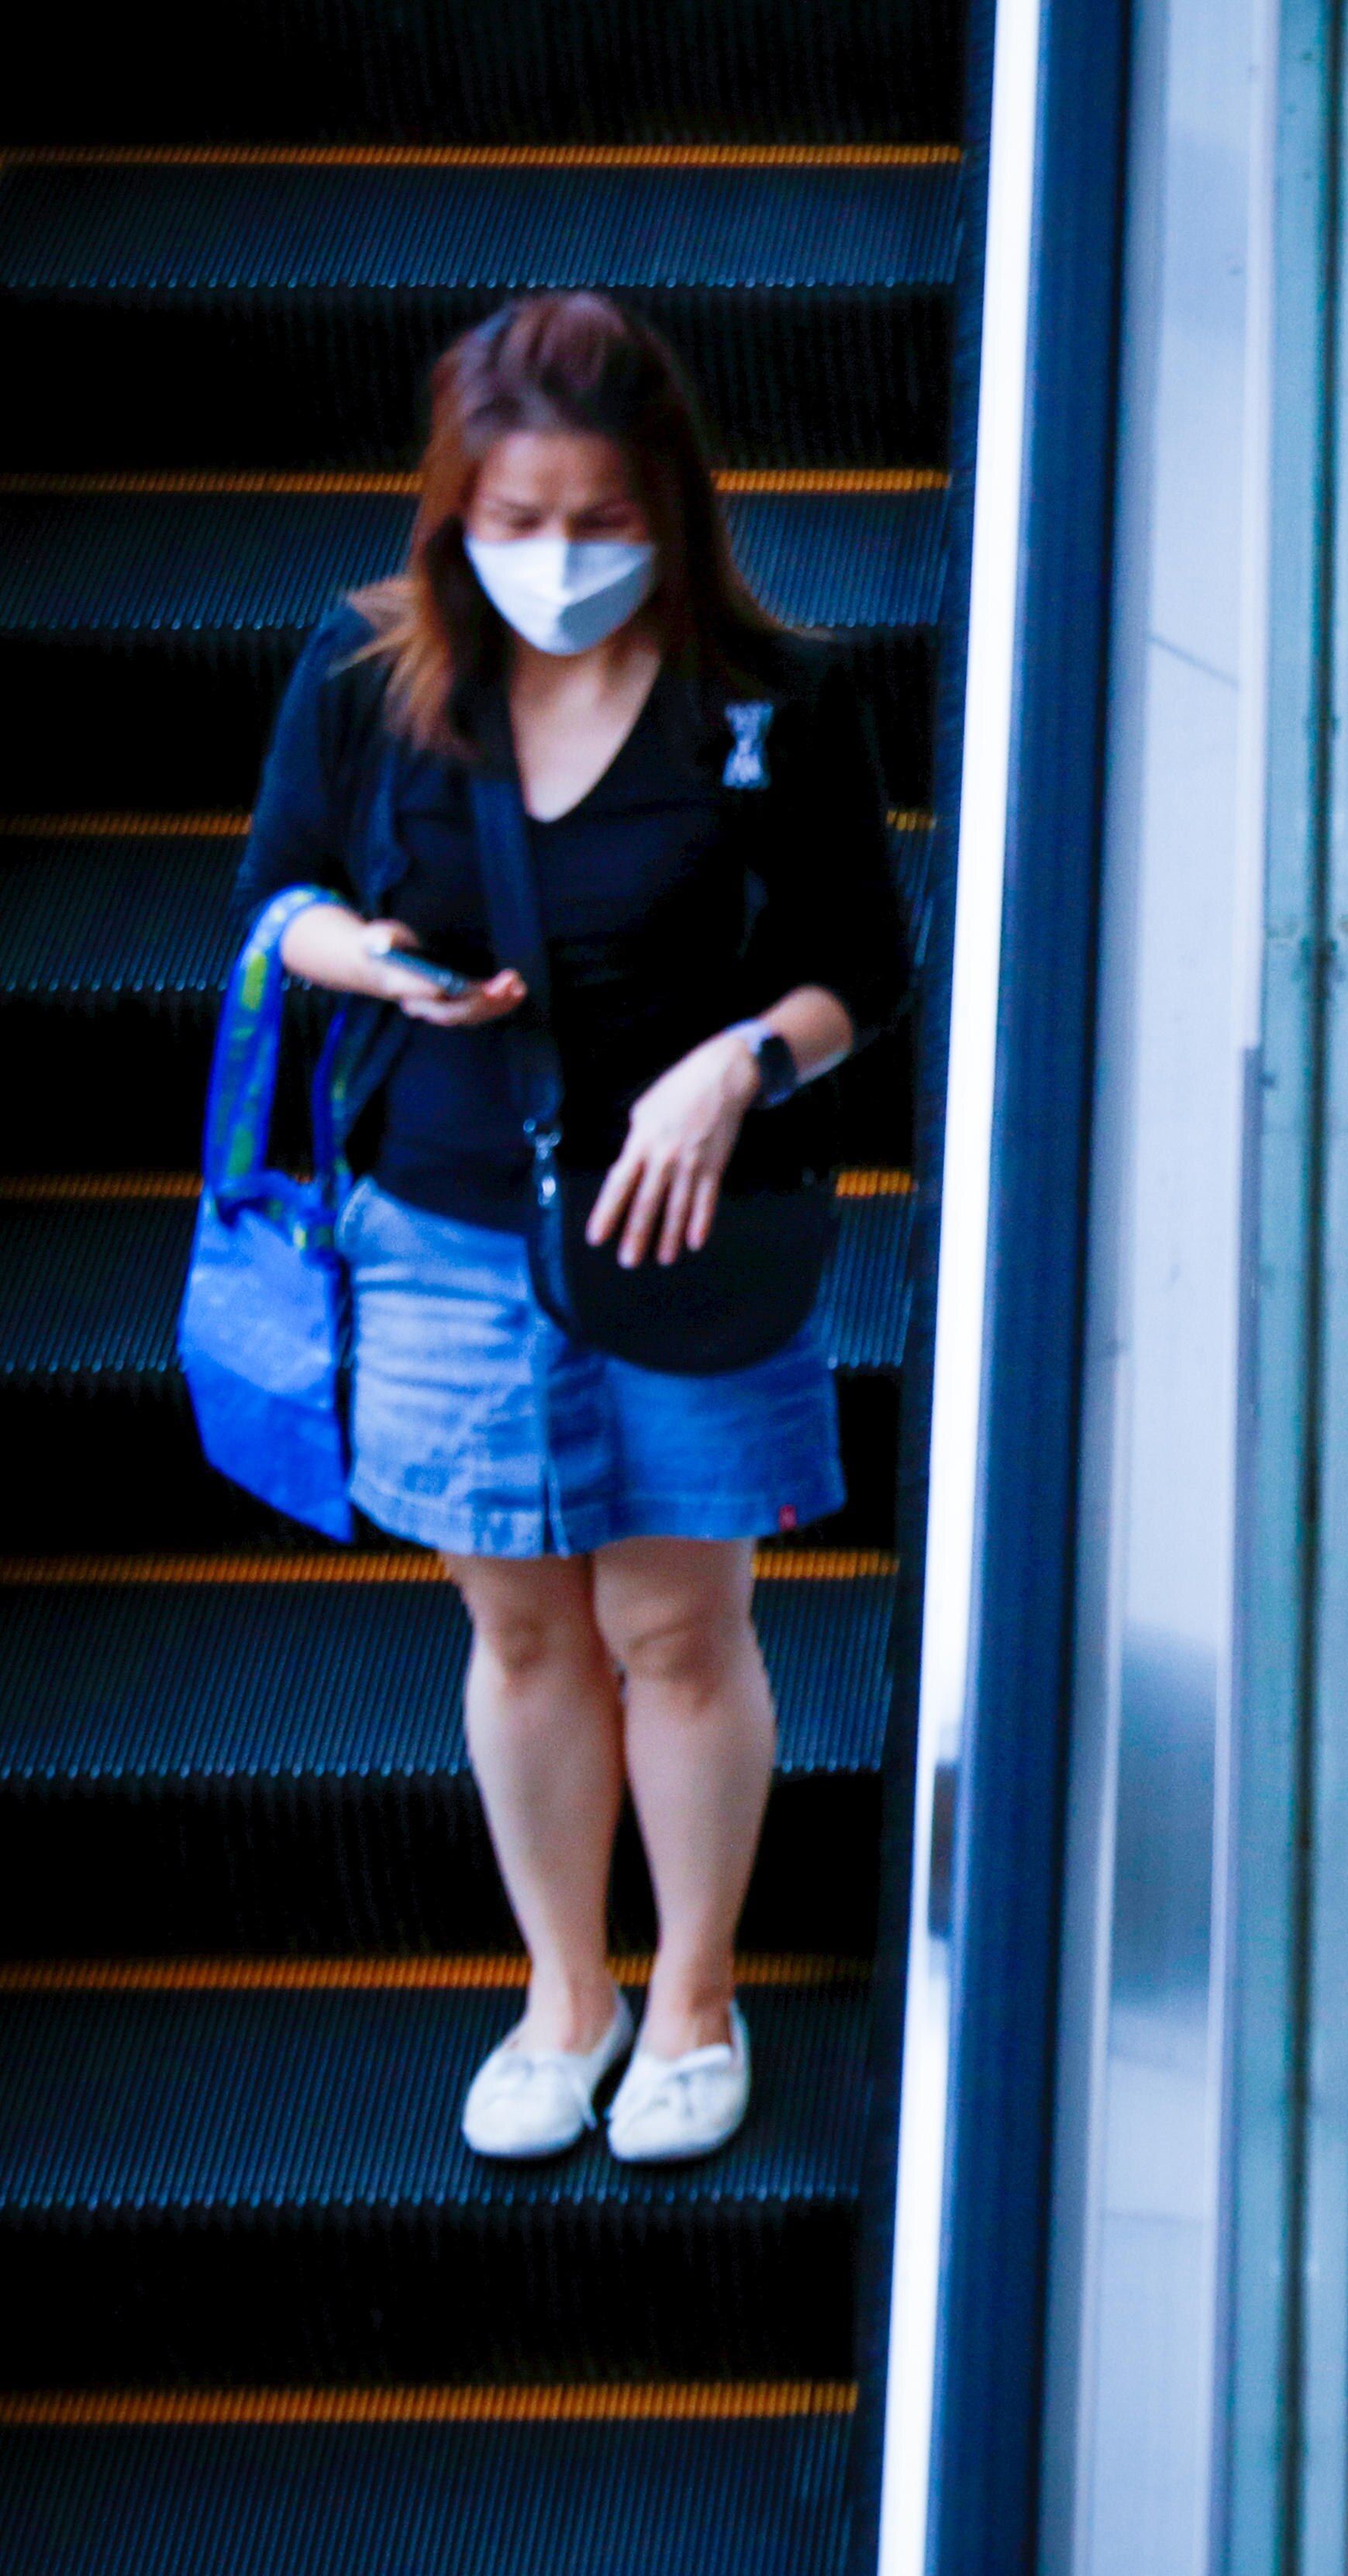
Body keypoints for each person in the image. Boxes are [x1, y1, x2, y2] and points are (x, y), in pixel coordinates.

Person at [236, 293, 911, 2168]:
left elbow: (864, 963)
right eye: (515, 522)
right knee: (520, 1619)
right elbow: (276, 894)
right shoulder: (369, 678)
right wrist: (367, 957)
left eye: (596, 522)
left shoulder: (775, 694)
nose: (555, 562)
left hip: (693, 1222)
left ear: (666, 508)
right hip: (445, 1214)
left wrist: (738, 1065)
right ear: (455, 510)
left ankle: (692, 1985)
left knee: (678, 1619)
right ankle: (566, 1988)